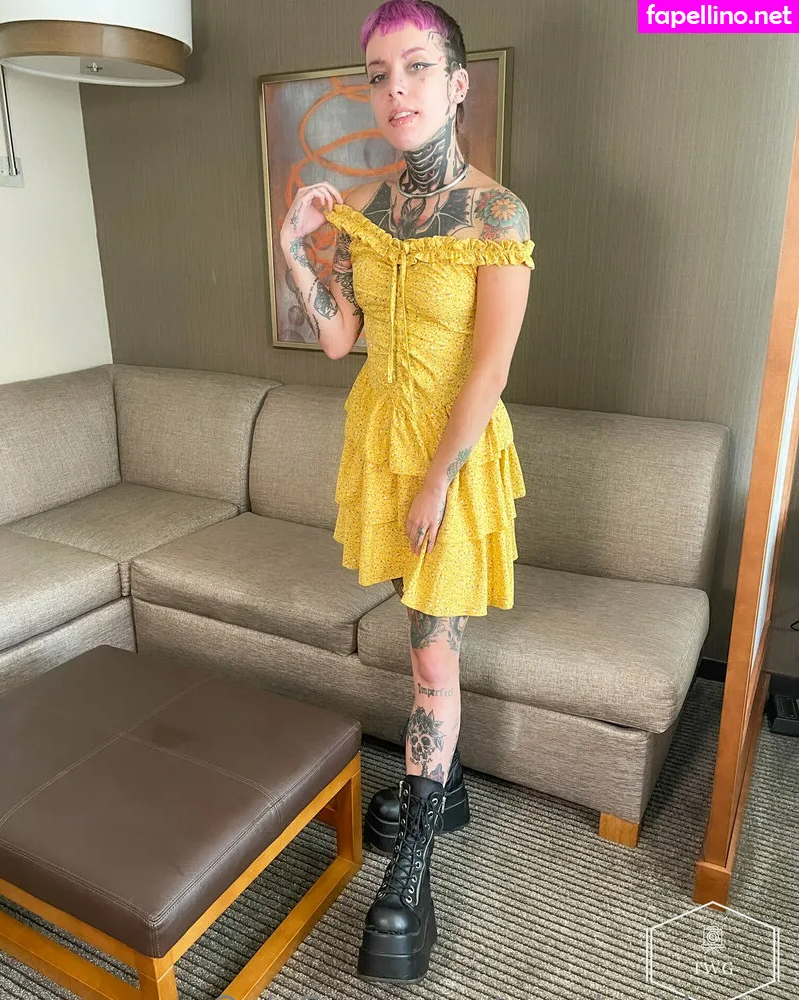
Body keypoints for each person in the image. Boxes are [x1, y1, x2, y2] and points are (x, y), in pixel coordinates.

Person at [279, 0, 535, 984]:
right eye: (380, 75)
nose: (397, 90)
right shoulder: (369, 208)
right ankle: (447, 788)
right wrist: (297, 248)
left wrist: (436, 480)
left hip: (451, 461)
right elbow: (340, 340)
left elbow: (490, 368)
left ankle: (413, 868)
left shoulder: (496, 213)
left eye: (417, 68)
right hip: (379, 445)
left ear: (458, 84)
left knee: (431, 660)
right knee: (417, 635)